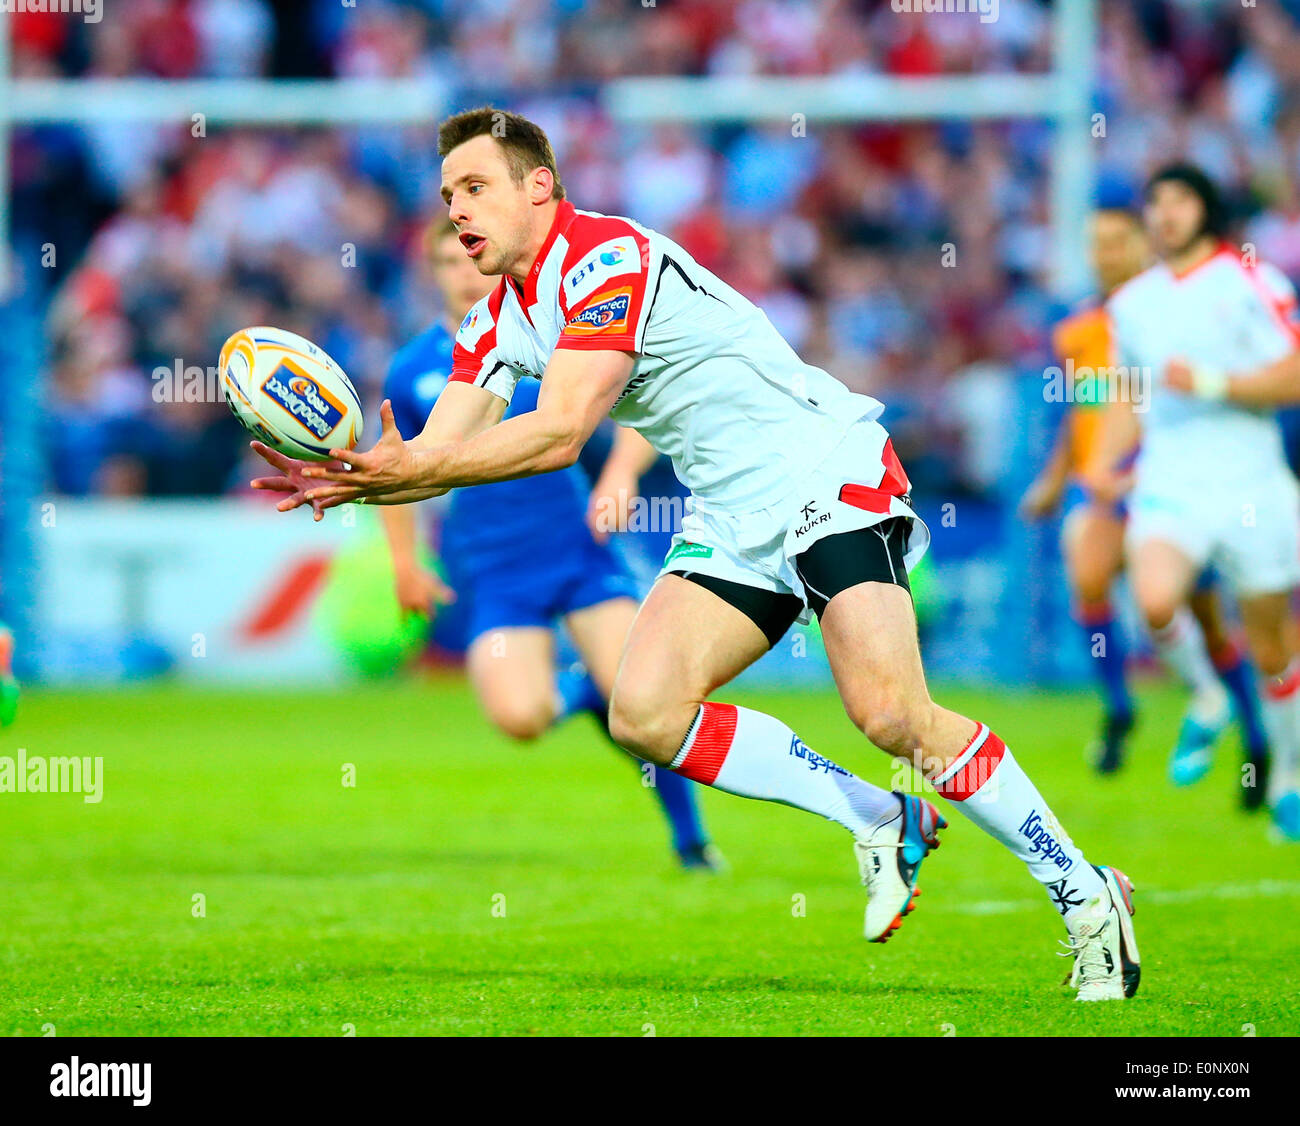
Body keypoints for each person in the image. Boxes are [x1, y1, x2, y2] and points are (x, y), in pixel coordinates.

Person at [253, 107, 1140, 1001]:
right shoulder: (492, 323)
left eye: (476, 188)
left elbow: (560, 433)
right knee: (642, 712)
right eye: (449, 196)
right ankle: (875, 813)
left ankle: (1086, 892)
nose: (458, 212)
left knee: (893, 717)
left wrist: (412, 465)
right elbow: (441, 454)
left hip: (823, 475)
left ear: (539, 187)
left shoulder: (607, 260)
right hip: (730, 513)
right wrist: (356, 477)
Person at [380, 217, 719, 870]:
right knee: (521, 717)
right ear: (433, 273)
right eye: (446, 261)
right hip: (492, 566)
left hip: (576, 548)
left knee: (647, 700)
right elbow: (398, 470)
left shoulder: (546, 335)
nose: (462, 271)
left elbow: (639, 406)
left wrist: (619, 473)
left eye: (468, 256)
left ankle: (691, 842)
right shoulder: (414, 369)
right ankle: (581, 692)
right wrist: (404, 562)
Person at [1022, 209, 1270, 787]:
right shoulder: (1077, 332)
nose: (1106, 254)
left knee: (1205, 621)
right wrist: (1056, 481)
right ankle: (1118, 707)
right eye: (1097, 243)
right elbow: (1079, 414)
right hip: (1106, 490)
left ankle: (1255, 738)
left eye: (1118, 241)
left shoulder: (1170, 318)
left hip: (1167, 486)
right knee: (1087, 571)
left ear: (1144, 244)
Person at [1091, 163, 1300, 840]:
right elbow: (1130, 392)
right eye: (1156, 202)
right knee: (1154, 600)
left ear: (1205, 209)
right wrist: (1100, 459)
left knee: (1272, 646)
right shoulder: (1131, 303)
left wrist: (1211, 381)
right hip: (1171, 480)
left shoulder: (1251, 282)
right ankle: (1208, 697)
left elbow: (1294, 375)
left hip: (1251, 480)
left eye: (1181, 199)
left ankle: (1290, 778)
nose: (1167, 213)